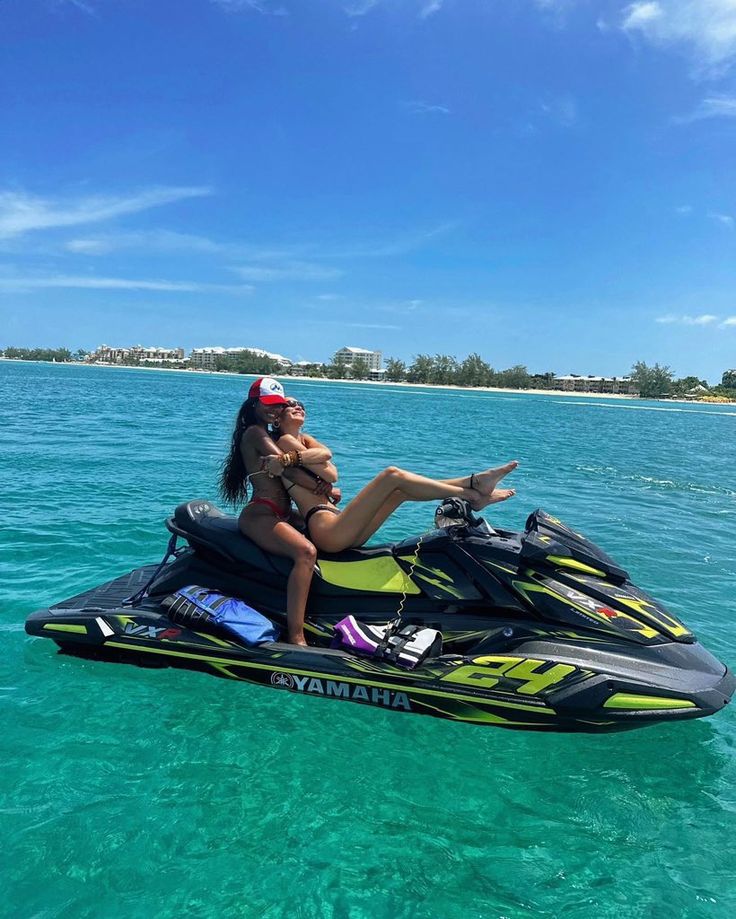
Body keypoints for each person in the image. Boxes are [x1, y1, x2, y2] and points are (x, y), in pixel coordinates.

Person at [263, 398, 518, 555]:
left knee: (399, 492)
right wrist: (318, 464)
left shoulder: (304, 440)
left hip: (339, 524)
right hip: (327, 530)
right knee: (392, 475)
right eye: (289, 405)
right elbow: (331, 471)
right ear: (277, 419)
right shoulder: (284, 440)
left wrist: (319, 464)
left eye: (301, 405)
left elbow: (328, 464)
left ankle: (473, 485)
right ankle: (473, 491)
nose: (297, 407)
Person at [219, 377, 336, 646]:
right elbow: (287, 469)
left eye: (279, 405)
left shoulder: (271, 434)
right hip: (261, 513)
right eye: (268, 404)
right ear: (253, 405)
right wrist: (325, 488)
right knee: (306, 552)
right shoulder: (254, 433)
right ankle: (296, 635)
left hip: (282, 512)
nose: (274, 410)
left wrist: (322, 490)